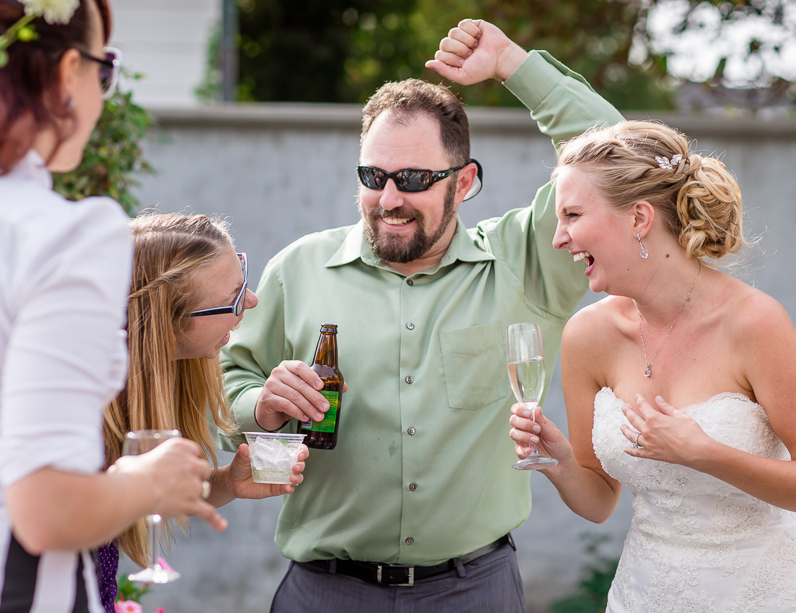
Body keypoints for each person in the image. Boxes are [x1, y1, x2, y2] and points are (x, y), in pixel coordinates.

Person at [219, 18, 623, 612]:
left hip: (475, 590)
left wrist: (513, 63)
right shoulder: (297, 269)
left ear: (464, 184)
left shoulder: (528, 260)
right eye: (372, 177)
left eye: (411, 179)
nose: (388, 200)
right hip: (325, 591)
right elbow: (225, 382)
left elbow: (620, 152)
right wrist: (263, 404)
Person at [509, 119, 796, 612]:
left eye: (572, 215)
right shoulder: (588, 337)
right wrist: (561, 462)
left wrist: (705, 452)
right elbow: (600, 501)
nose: (559, 238)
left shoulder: (754, 323)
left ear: (639, 218)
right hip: (644, 594)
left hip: (763, 594)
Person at [0, 1, 223, 612]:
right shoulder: (62, 237)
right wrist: (145, 482)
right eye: (105, 73)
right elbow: (47, 512)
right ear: (66, 74)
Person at [95, 213, 309, 612]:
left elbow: (138, 495)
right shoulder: (83, 401)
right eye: (232, 298)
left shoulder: (143, 384)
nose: (251, 301)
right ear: (167, 322)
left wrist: (227, 482)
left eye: (243, 279)